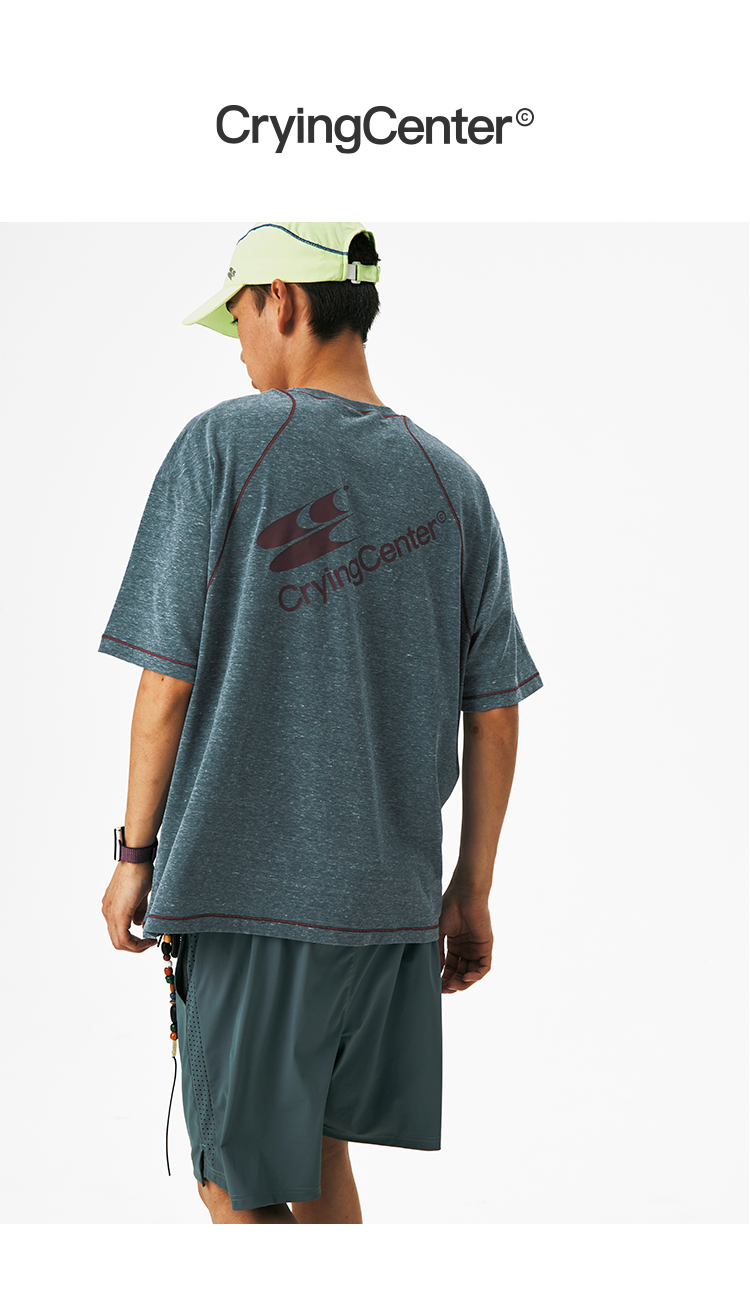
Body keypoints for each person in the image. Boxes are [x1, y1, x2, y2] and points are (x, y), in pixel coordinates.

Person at [99, 221, 543, 1225]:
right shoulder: (454, 485)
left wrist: (134, 855)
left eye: (239, 319)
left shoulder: (224, 444)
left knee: (232, 1179)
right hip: (387, 908)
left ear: (285, 299)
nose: (239, 350)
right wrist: (469, 891)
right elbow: (494, 710)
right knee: (316, 1155)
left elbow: (165, 685)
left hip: (250, 894)